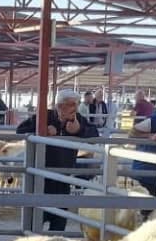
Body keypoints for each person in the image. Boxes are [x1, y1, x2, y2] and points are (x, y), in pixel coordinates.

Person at [18, 91, 98, 232]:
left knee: (59, 222)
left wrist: (79, 130)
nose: (75, 108)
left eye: (77, 104)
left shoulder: (78, 119)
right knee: (36, 219)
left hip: (63, 178)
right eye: (71, 104)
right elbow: (20, 130)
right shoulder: (44, 116)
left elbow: (95, 134)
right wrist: (43, 131)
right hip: (41, 177)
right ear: (60, 106)